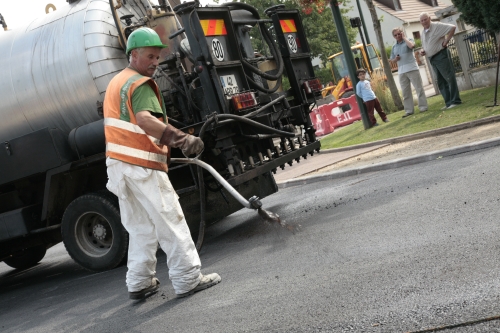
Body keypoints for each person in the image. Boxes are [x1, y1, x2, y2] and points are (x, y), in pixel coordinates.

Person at [103, 27, 221, 300]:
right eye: (150, 56)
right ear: (133, 55)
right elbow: (145, 120)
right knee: (170, 219)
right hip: (141, 165)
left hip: (119, 167)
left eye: (157, 57)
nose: (155, 63)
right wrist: (182, 140)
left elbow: (133, 122)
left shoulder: (117, 82)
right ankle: (188, 278)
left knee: (140, 226)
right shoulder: (140, 83)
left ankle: (139, 282)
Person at [419, 12, 462, 110]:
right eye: (422, 20)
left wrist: (446, 41)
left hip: (441, 55)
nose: (424, 22)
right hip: (432, 58)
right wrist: (423, 50)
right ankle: (448, 103)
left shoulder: (437, 26)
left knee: (449, 77)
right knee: (441, 81)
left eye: (425, 19)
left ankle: (456, 100)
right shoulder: (423, 31)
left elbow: (452, 27)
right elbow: (425, 45)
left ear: (429, 18)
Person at [390, 27, 428, 118]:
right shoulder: (394, 47)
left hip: (412, 68)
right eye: (395, 35)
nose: (398, 36)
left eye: (399, 34)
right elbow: (392, 60)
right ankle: (409, 110)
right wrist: (395, 59)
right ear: (394, 36)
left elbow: (412, 46)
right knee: (405, 92)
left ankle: (423, 107)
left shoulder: (409, 40)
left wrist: (404, 38)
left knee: (419, 89)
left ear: (402, 33)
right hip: (401, 71)